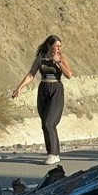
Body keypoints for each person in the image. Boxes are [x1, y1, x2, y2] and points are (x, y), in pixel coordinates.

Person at [12, 35, 73, 165]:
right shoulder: (41, 58)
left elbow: (69, 75)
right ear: (49, 46)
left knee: (49, 122)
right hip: (43, 89)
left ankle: (54, 154)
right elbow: (31, 74)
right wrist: (20, 88)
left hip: (56, 89)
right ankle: (50, 152)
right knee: (44, 122)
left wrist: (58, 62)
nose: (58, 48)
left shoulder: (61, 58)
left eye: (60, 46)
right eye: (56, 46)